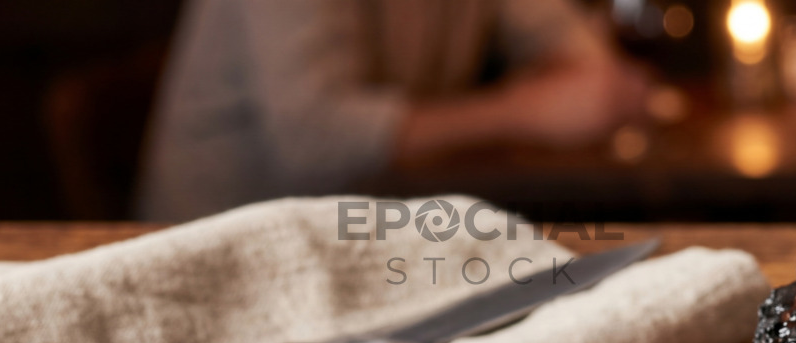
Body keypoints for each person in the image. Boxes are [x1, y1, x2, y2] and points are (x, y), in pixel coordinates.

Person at [138, 0, 650, 221]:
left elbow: (585, 64)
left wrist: (580, 80)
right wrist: (525, 111)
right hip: (222, 252)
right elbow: (313, 140)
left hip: (365, 234)